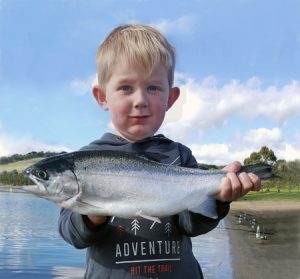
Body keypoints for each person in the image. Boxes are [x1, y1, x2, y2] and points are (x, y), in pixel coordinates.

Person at [58, 24, 260, 279]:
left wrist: (219, 199)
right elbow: (72, 234)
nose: (140, 99)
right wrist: (92, 214)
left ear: (171, 98)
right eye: (126, 88)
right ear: (102, 96)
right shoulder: (85, 162)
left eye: (153, 87)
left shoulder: (180, 155)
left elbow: (190, 224)